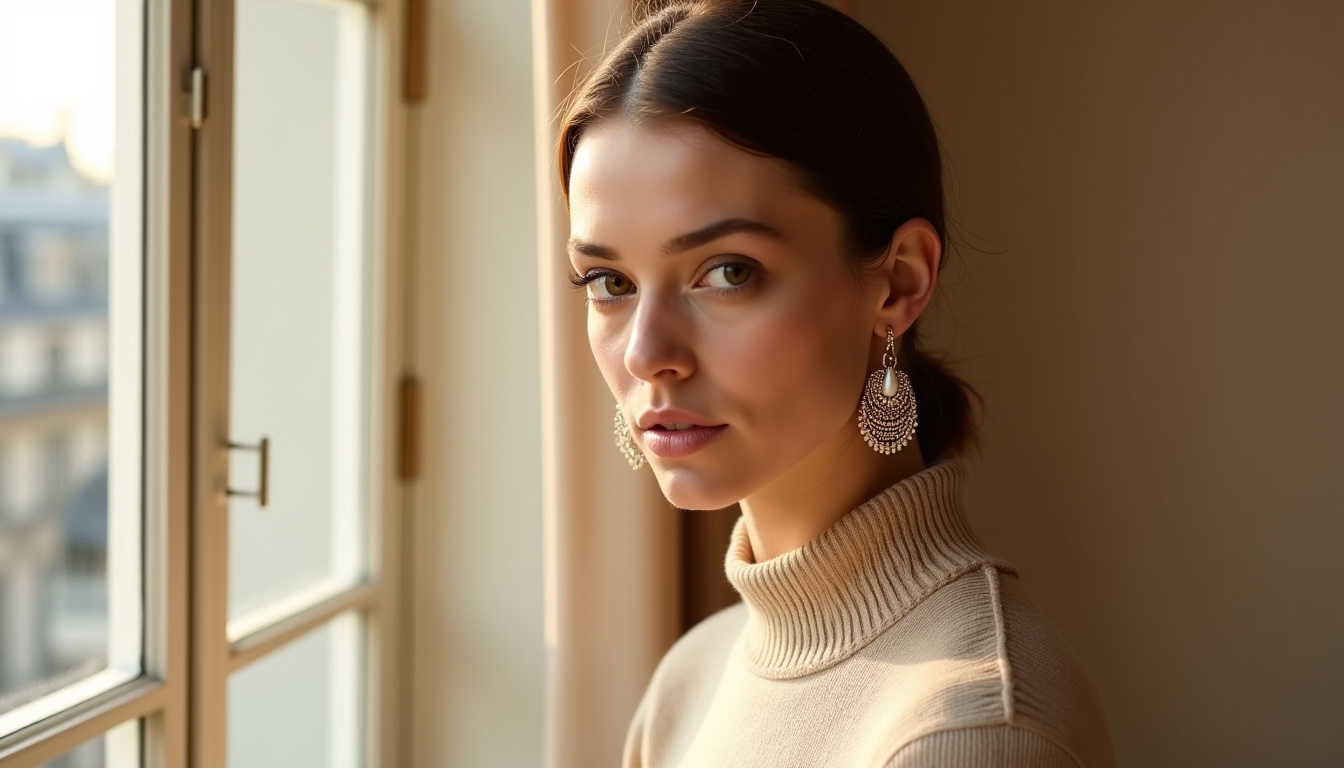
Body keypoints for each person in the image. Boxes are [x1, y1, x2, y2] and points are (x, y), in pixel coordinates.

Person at [556, 1, 1115, 765]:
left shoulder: (974, 731)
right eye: (609, 280)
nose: (648, 352)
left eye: (728, 272)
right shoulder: (690, 680)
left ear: (898, 282)